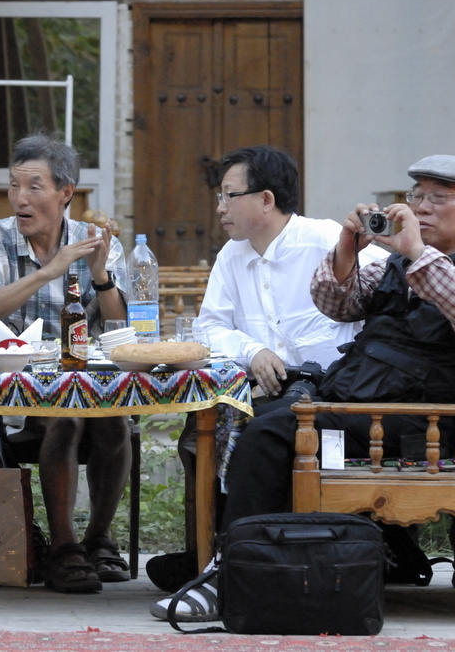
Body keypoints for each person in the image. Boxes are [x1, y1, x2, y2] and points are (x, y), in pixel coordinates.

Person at [151, 154, 455, 622]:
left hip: (409, 428)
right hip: (355, 410)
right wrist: (348, 247)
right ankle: (264, 570)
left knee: (269, 435)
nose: (422, 208)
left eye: (438, 199)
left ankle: (232, 579)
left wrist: (416, 254)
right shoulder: (393, 267)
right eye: (416, 197)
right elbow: (333, 302)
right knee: (260, 421)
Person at [147, 145, 387, 593]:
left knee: (263, 434)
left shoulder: (327, 241)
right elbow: (210, 326)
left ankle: (254, 559)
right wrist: (252, 349)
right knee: (198, 432)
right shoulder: (232, 255)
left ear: (266, 200)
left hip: (333, 393)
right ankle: (211, 549)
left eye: (228, 196)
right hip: (262, 389)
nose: (219, 208)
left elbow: (387, 302)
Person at [0, 133, 130, 593]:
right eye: (14, 186)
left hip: (89, 389)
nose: (20, 199)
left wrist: (101, 276)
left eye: (34, 187)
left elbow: (121, 332)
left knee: (113, 420)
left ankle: (97, 541)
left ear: (65, 193)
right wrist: (47, 272)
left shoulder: (95, 243)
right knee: (67, 417)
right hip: (11, 397)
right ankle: (64, 548)